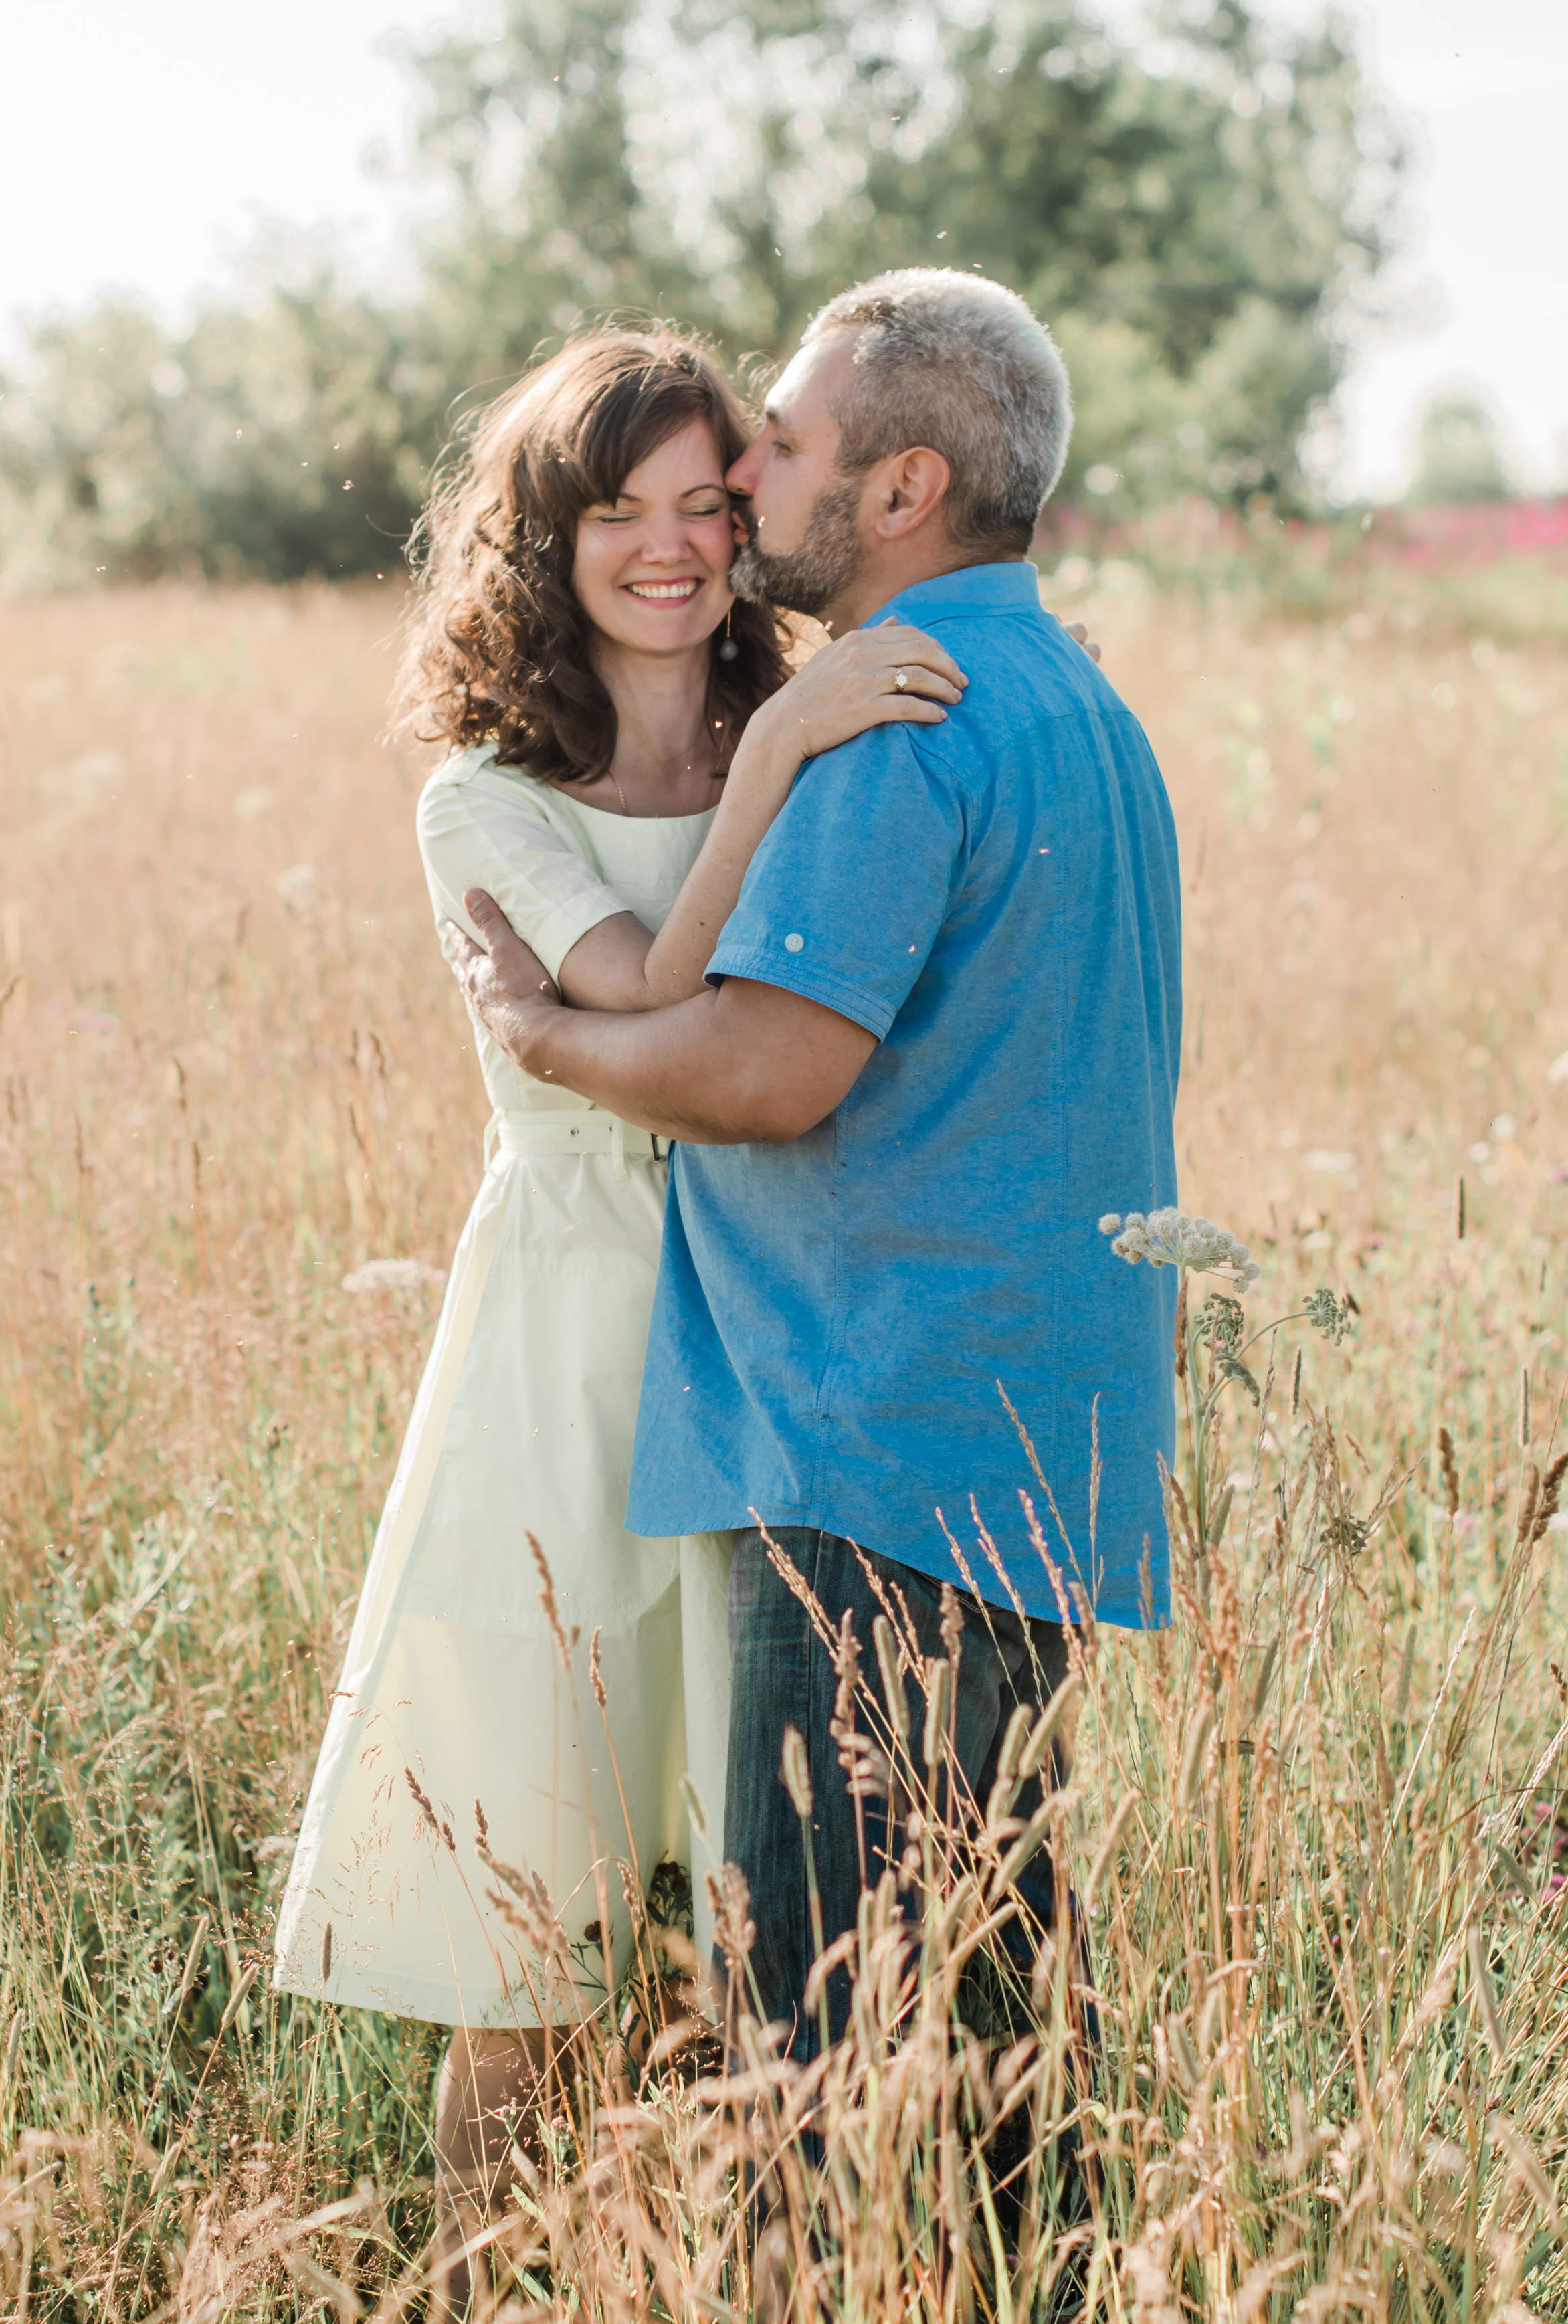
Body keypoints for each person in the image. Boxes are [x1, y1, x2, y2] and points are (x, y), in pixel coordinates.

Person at [271, 326, 969, 2323]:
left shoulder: (821, 726)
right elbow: (649, 993)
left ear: (751, 514)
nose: (667, 551)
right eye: (614, 514)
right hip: (569, 1351)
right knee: (537, 1923)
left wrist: (797, 726)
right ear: (544, 541)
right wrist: (779, 744)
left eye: (701, 504)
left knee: (735, 1907)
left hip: (779, 1335)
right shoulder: (485, 796)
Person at [444, 270, 1182, 2073]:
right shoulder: (1076, 703)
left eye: (774, 446)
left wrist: (549, 1042)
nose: (746, 483)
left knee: (829, 2029)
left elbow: (766, 1073)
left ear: (905, 488)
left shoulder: (887, 728)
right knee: (995, 1993)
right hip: (1047, 1424)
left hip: (870, 1440)